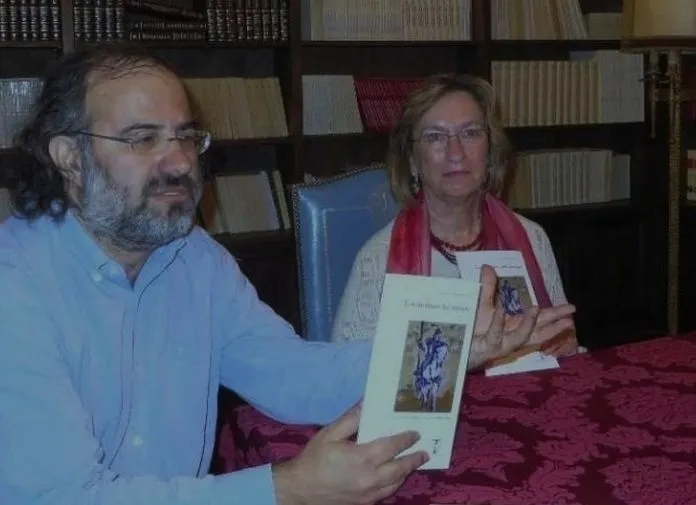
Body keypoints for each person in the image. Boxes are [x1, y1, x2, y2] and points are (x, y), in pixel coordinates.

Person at [0, 43, 575, 505]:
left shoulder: (195, 260)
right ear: (69, 159)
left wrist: (453, 347)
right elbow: (59, 495)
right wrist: (288, 488)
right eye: (142, 138)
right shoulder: (15, 285)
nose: (177, 162)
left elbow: (295, 374)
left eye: (183, 137)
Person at [330, 73, 579, 355]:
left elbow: (563, 343)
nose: (456, 152)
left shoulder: (532, 238)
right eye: (435, 137)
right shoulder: (377, 258)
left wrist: (563, 348)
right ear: (412, 161)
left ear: (490, 151)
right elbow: (348, 379)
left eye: (470, 133)